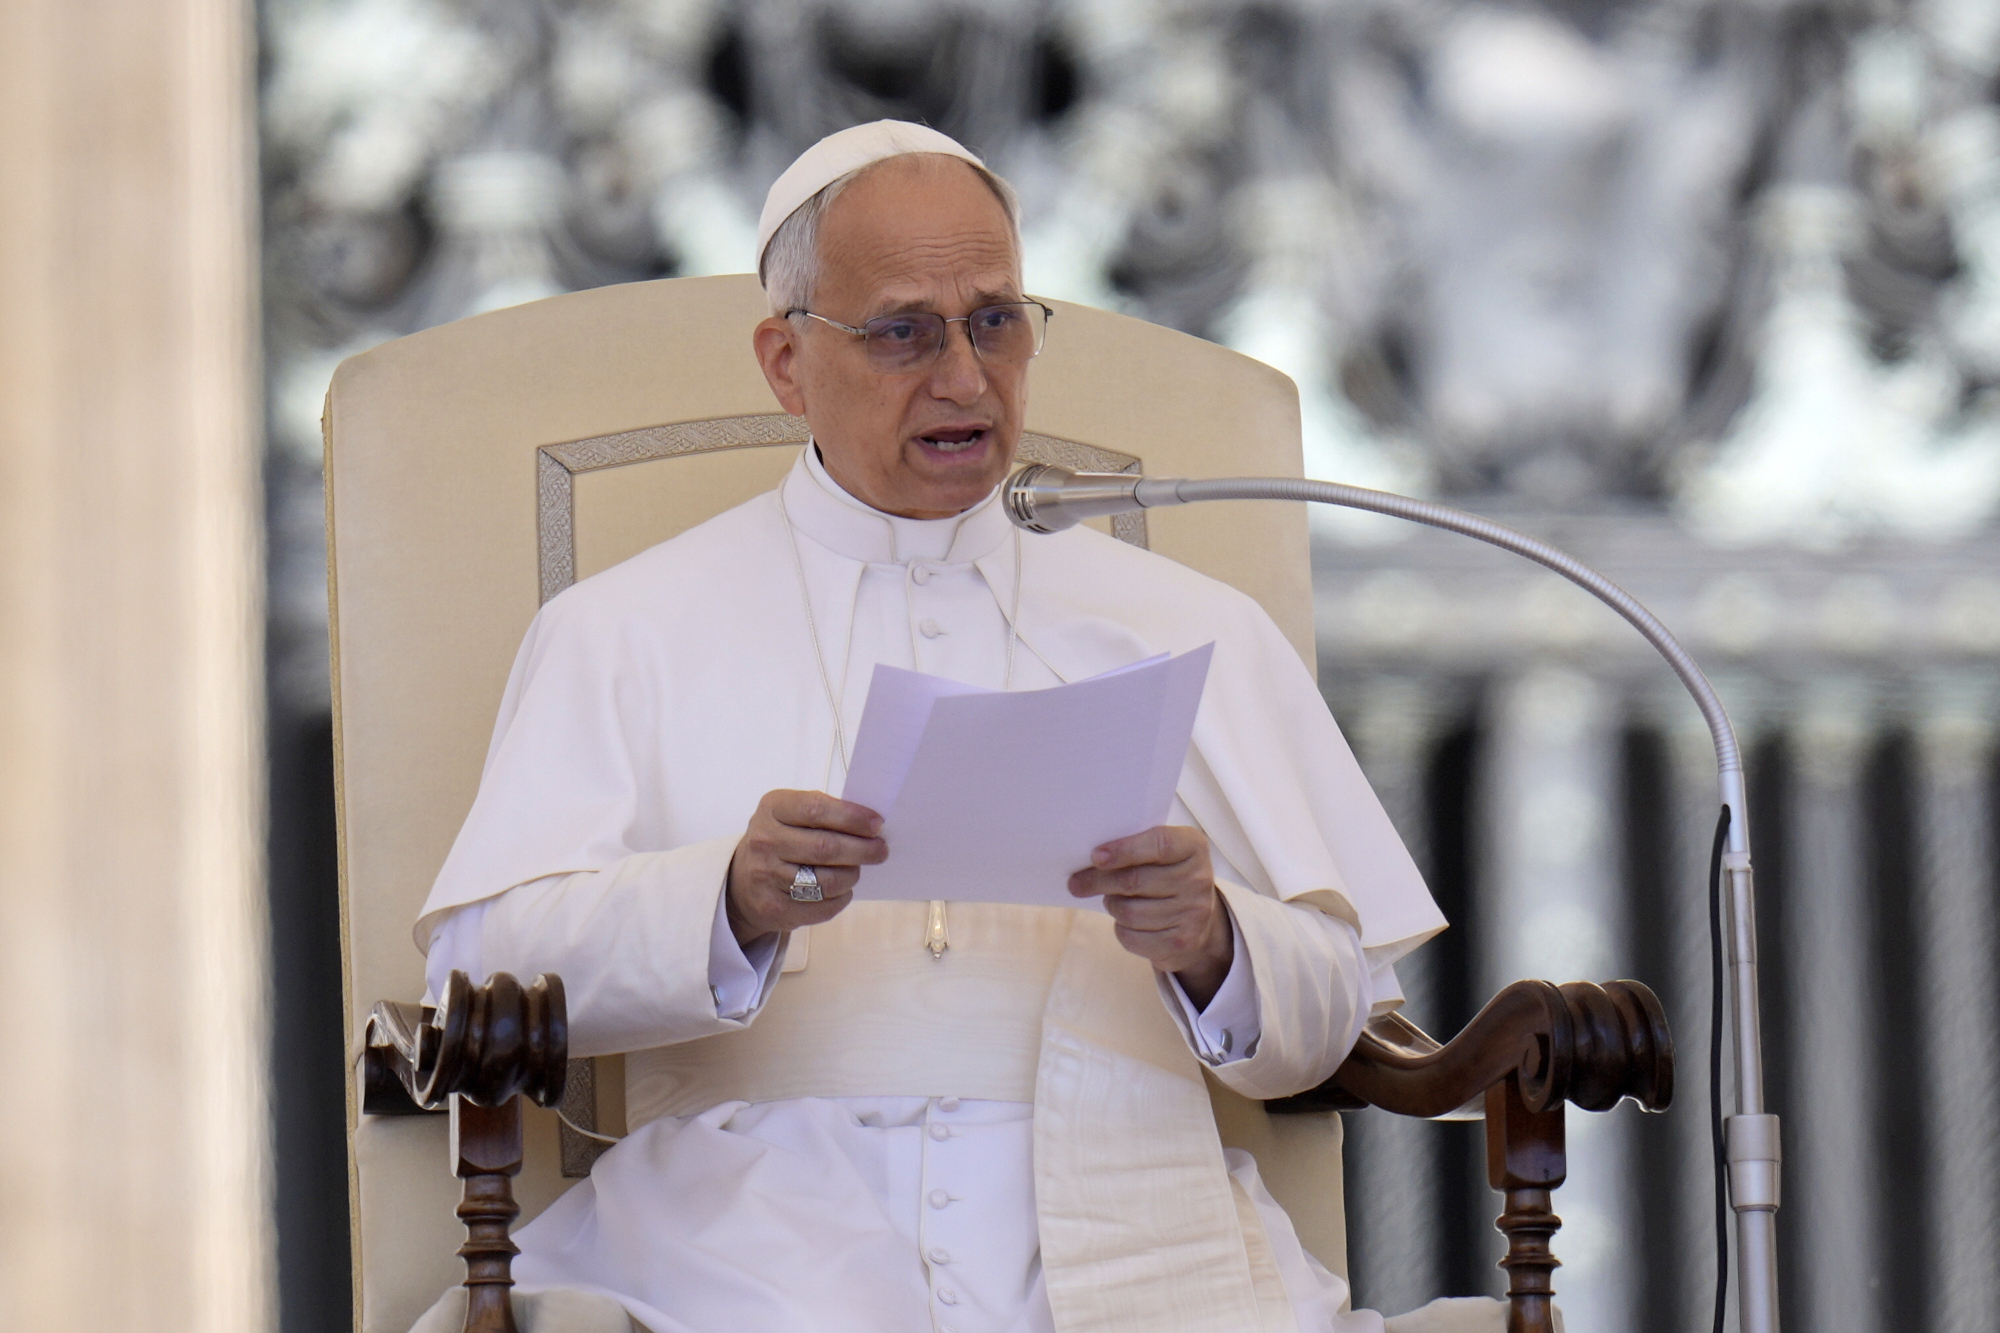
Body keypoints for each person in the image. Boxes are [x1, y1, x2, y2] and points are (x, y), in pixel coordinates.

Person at [411, 121, 1445, 1333]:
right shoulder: (624, 628)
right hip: (747, 1238)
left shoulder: (1180, 624)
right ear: (787, 363)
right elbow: (475, 976)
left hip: (1131, 1217)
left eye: (995, 321)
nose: (963, 377)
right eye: (904, 329)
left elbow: (1333, 1011)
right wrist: (724, 901)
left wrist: (1215, 939)